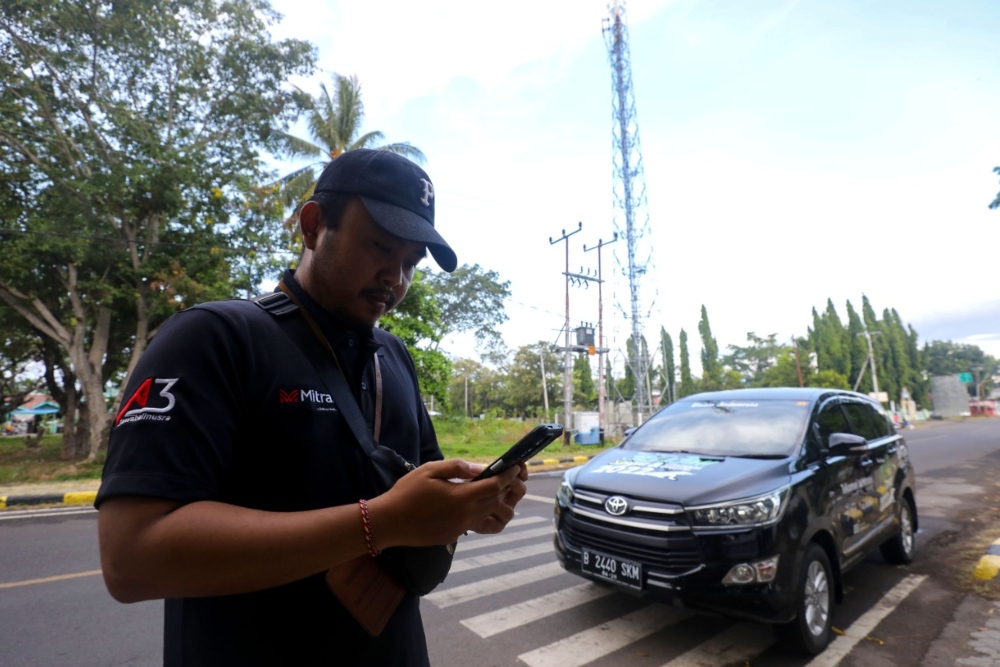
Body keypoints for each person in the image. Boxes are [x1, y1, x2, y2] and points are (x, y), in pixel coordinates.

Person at [96, 149, 529, 666]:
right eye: (379, 247)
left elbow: (422, 493)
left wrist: (467, 507)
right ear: (313, 225)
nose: (394, 278)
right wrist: (379, 522)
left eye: (410, 263)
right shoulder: (214, 338)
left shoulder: (394, 358)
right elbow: (132, 558)